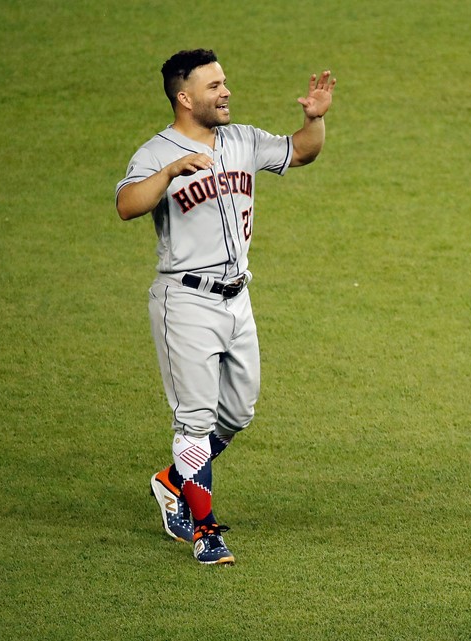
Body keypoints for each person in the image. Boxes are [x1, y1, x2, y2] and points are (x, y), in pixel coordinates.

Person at [115, 49, 334, 565]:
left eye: (225, 82)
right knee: (193, 421)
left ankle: (174, 480)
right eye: (214, 86)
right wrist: (170, 172)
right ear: (184, 97)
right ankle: (202, 528)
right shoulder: (155, 152)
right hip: (186, 302)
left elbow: (300, 152)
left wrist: (315, 120)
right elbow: (126, 205)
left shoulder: (242, 139)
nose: (226, 91)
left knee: (237, 411)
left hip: (238, 299)